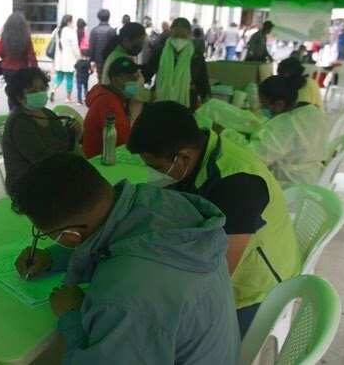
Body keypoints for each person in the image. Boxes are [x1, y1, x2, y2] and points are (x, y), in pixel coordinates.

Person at [11, 153, 239, 364]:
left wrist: (72, 317)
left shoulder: (120, 300)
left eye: (45, 235)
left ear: (70, 235)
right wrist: (52, 256)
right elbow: (124, 239)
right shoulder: (158, 202)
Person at [127, 101, 301, 336]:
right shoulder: (202, 152)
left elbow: (219, 272)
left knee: (178, 335)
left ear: (183, 157)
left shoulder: (238, 183)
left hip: (258, 290)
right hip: (235, 260)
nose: (154, 173)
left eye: (157, 167)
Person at [1, 68, 80, 193]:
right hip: (27, 186)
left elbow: (63, 142)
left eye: (42, 89)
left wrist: (74, 132)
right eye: (33, 91)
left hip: (53, 174)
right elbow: (43, 160)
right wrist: (70, 136)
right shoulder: (19, 123)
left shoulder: (47, 113)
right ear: (19, 97)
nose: (40, 93)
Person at [249, 74, 328, 185]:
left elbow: (257, 158)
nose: (262, 109)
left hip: (289, 182)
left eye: (264, 105)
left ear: (279, 104)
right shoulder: (312, 110)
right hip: (312, 176)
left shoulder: (284, 124)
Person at [144, 17, 210, 109]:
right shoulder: (160, 51)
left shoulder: (196, 55)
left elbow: (202, 80)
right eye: (176, 36)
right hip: (160, 100)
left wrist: (205, 99)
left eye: (183, 36)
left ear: (189, 35)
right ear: (170, 33)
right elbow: (148, 72)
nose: (179, 39)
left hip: (187, 100)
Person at [82, 57, 137, 158]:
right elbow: (123, 140)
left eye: (135, 77)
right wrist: (134, 114)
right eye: (129, 77)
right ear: (115, 80)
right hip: (99, 159)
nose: (135, 81)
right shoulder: (108, 102)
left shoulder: (113, 97)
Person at [0, 12, 38, 92]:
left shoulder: (5, 36)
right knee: (20, 92)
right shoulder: (26, 37)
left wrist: (7, 58)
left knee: (11, 91)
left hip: (7, 69)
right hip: (21, 69)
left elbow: (0, 52)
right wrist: (35, 69)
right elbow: (31, 56)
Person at [51, 15, 81, 103]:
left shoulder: (57, 30)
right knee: (69, 78)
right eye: (72, 21)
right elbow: (75, 47)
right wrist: (79, 57)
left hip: (59, 59)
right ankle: (68, 97)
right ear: (68, 22)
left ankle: (53, 90)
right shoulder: (71, 32)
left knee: (59, 77)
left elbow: (53, 40)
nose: (73, 23)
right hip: (69, 59)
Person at [87, 9, 115, 78]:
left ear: (99, 18)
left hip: (98, 60)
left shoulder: (94, 31)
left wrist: (91, 60)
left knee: (100, 77)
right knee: (109, 77)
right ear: (109, 17)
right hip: (109, 59)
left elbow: (91, 47)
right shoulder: (112, 31)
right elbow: (114, 46)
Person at [74, 18, 91, 105]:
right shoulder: (83, 33)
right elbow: (90, 69)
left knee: (79, 87)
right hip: (85, 75)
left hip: (78, 55)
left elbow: (75, 67)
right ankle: (86, 98)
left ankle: (79, 100)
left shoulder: (75, 32)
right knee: (85, 87)